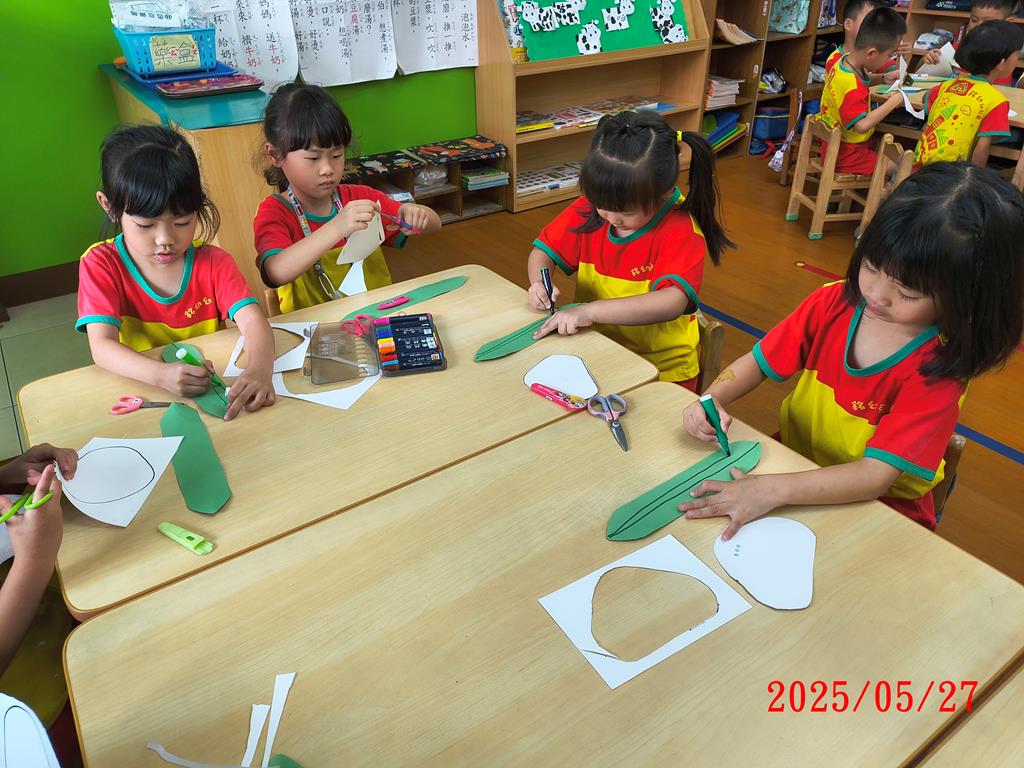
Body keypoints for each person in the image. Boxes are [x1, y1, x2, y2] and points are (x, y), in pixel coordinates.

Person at [680, 163, 1024, 540]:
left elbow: (874, 478)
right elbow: (758, 362)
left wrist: (770, 490)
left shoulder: (939, 369)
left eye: (907, 292)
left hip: (880, 508)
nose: (876, 294)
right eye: (872, 265)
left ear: (966, 296)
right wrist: (712, 399)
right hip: (795, 467)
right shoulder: (832, 302)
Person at [78, 125, 275, 420]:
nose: (165, 239)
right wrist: (161, 375)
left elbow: (254, 322)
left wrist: (259, 369)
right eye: (145, 225)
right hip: (145, 392)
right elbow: (102, 347)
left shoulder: (214, 263)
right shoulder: (101, 264)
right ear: (109, 206)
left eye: (182, 222)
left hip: (208, 396)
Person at [526, 110, 733, 390]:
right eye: (602, 205)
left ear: (663, 193)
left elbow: (671, 302)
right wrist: (540, 283)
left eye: (626, 212)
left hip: (661, 371)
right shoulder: (592, 208)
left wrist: (590, 312)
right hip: (597, 352)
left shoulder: (681, 230)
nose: (611, 218)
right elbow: (542, 253)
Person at [255, 83, 441, 313]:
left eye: (336, 155)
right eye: (313, 158)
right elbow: (275, 272)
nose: (327, 169)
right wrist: (337, 227)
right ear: (275, 155)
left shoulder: (361, 198)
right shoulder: (275, 212)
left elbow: (435, 225)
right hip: (314, 327)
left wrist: (416, 214)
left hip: (374, 316)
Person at [915, 20, 1022, 167]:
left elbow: (927, 98)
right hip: (951, 174)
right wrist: (974, 178)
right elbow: (981, 149)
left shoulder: (946, 86)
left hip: (920, 163)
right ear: (1001, 64)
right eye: (1017, 54)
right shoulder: (997, 101)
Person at [817, 7, 907, 175]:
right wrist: (894, 101)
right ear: (871, 53)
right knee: (901, 166)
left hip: (834, 146)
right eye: (890, 55)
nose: (889, 60)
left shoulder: (843, 63)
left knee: (889, 150)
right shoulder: (853, 87)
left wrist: (882, 78)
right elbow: (862, 125)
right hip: (847, 154)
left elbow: (858, 81)